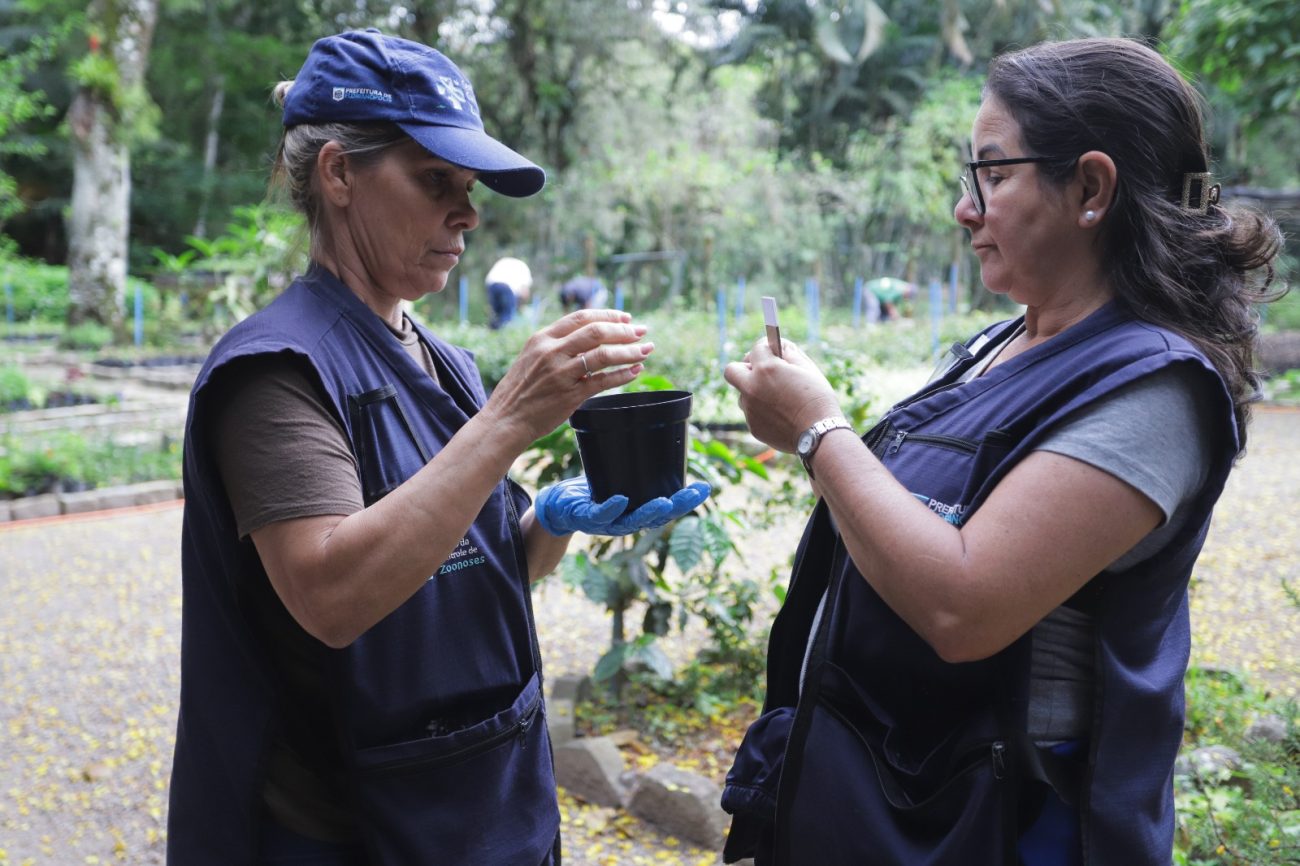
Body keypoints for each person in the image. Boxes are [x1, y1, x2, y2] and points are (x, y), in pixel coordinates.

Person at [720, 37, 1282, 866]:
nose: (964, 208)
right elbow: (899, 522)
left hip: (1000, 827)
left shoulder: (1154, 390)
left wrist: (817, 431)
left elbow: (964, 608)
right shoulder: (995, 345)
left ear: (1089, 189)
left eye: (991, 172)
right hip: (881, 799)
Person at [166, 29, 708, 866]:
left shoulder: (446, 363)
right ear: (338, 174)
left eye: (470, 187)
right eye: (435, 181)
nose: (468, 213)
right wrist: (508, 421)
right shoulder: (276, 372)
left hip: (483, 804)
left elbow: (470, 566)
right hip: (348, 830)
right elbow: (333, 595)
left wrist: (551, 522)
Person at [485, 255, 532, 329]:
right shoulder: (524, 268)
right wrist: (521, 305)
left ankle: (492, 330)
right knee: (507, 313)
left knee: (495, 313)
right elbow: (525, 292)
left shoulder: (506, 261)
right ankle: (504, 331)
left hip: (491, 285)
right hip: (506, 287)